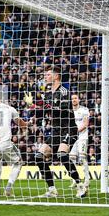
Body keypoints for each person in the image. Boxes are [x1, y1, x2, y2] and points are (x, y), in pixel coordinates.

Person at [34, 65, 87, 198]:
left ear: (56, 76)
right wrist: (34, 107)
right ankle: (52, 189)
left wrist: (46, 105)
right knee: (39, 157)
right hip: (56, 130)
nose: (45, 77)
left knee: (62, 155)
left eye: (48, 74)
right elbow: (46, 112)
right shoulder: (47, 93)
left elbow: (61, 110)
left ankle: (81, 187)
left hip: (68, 128)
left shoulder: (64, 91)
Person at [69, 93, 90, 188]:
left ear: (78, 99)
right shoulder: (69, 111)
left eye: (75, 98)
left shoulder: (84, 110)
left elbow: (85, 124)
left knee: (82, 158)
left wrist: (74, 131)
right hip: (72, 138)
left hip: (82, 137)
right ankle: (74, 180)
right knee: (71, 158)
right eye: (72, 98)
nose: (74, 100)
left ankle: (87, 179)